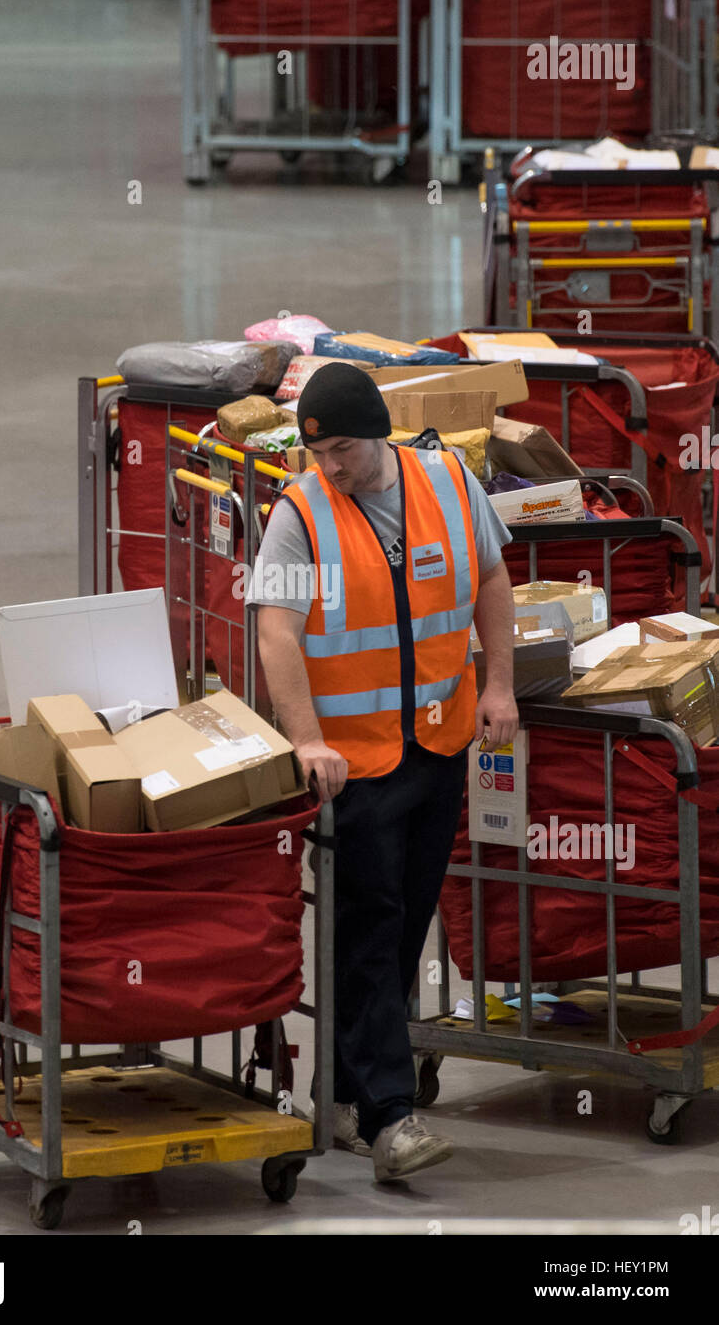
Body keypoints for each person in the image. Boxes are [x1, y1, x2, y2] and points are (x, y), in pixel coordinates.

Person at [248, 362, 519, 1183]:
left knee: (401, 930)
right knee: (370, 924)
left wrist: (499, 684)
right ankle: (391, 1118)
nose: (330, 466)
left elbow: (493, 579)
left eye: (342, 451)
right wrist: (305, 742)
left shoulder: (446, 480)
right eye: (317, 451)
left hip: (437, 745)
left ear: (378, 434)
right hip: (353, 764)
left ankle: (338, 1088)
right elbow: (276, 632)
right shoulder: (301, 512)